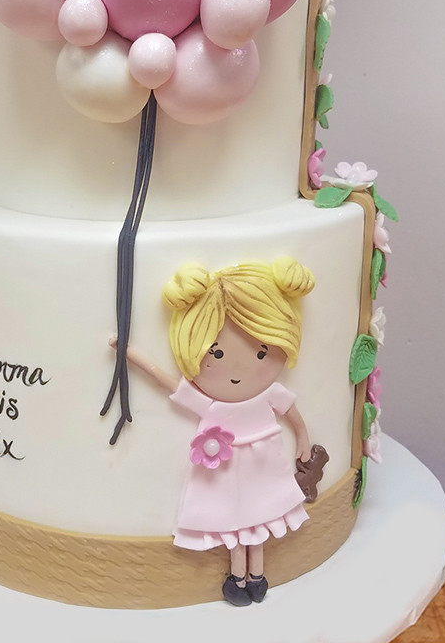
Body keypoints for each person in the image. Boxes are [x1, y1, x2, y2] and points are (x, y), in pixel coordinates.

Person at [116, 257, 316, 606]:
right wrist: (129, 354)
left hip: (264, 469)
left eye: (261, 352)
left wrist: (303, 438)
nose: (237, 369)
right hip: (225, 474)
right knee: (235, 523)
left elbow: (293, 416)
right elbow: (168, 383)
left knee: (261, 518)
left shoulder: (268, 394)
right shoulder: (212, 405)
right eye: (216, 353)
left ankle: (257, 576)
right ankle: (239, 577)